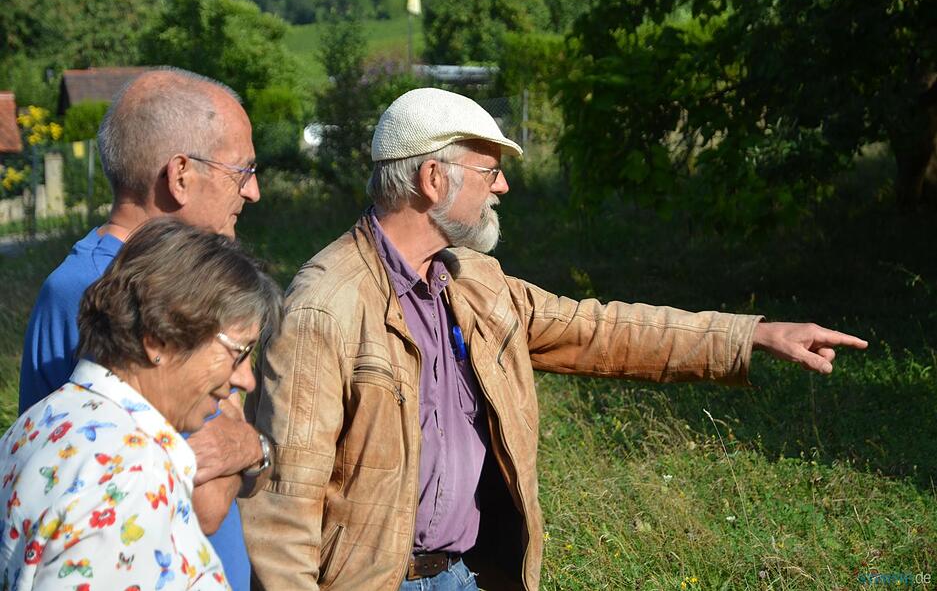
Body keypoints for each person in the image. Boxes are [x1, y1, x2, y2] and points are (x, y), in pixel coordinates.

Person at [241, 88, 868, 590]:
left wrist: (751, 334)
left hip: (469, 575)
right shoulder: (326, 307)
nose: (502, 188)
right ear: (432, 179)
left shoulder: (474, 282)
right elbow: (283, 503)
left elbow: (599, 330)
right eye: (489, 172)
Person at [17, 68, 270, 590]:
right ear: (179, 175)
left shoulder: (77, 280)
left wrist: (248, 447)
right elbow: (205, 503)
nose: (254, 192)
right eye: (242, 170)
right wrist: (258, 447)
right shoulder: (114, 291)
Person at [0, 218, 282, 590]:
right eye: (238, 352)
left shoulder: (39, 422)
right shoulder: (132, 475)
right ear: (159, 339)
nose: (246, 379)